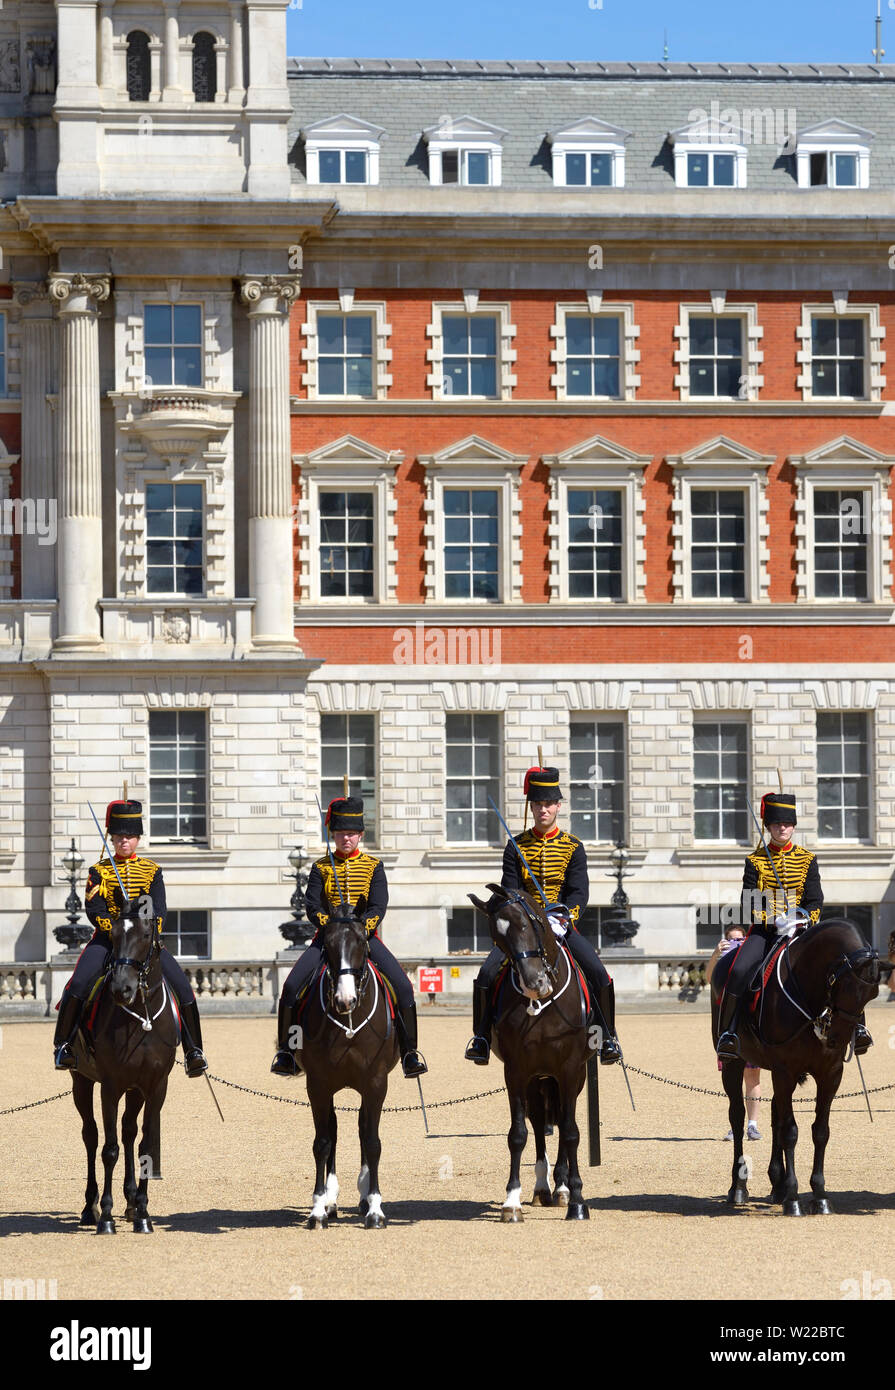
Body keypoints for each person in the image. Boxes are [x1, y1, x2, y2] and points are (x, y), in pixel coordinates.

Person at [464, 766, 622, 1066]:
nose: (543, 810)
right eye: (537, 805)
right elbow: (510, 891)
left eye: (548, 804)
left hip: (560, 925)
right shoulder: (516, 846)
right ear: (532, 807)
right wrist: (524, 918)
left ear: (558, 806)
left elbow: (579, 892)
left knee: (599, 974)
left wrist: (564, 917)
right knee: (486, 974)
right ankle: (482, 1038)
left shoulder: (573, 847)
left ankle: (606, 1038)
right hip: (523, 927)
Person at [270, 796, 427, 1079]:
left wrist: (361, 929)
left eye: (351, 834)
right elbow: (312, 906)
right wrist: (329, 926)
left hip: (364, 939)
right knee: (292, 988)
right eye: (341, 834)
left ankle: (409, 1052)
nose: (346, 839)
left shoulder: (373, 867)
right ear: (333, 835)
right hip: (327, 940)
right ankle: (288, 1051)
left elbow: (379, 906)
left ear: (360, 835)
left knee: (403, 987)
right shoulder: (320, 868)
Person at [53, 799, 208, 1077]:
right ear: (112, 838)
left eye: (129, 836)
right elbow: (95, 909)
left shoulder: (151, 871)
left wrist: (142, 932)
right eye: (119, 836)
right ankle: (64, 1045)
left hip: (144, 944)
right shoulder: (99, 871)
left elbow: (157, 911)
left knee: (184, 989)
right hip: (108, 941)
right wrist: (115, 930)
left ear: (137, 838)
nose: (124, 841)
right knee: (76, 985)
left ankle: (193, 1050)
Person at [715, 790, 872, 1060]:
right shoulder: (755, 860)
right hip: (766, 933)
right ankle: (729, 1033)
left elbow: (815, 900)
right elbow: (749, 902)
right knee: (739, 970)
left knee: (844, 966)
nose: (782, 828)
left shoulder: (808, 859)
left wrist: (802, 918)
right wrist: (773, 919)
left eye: (786, 824)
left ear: (794, 826)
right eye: (777, 824)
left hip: (802, 931)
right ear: (769, 827)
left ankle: (859, 1028)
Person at [706, 924, 762, 1141]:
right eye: (732, 940)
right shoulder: (722, 961)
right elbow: (710, 979)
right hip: (727, 1027)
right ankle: (736, 1124)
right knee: (733, 1080)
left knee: (752, 1078)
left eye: (741, 940)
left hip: (748, 1028)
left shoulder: (751, 961)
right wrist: (716, 954)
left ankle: (753, 1124)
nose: (737, 943)